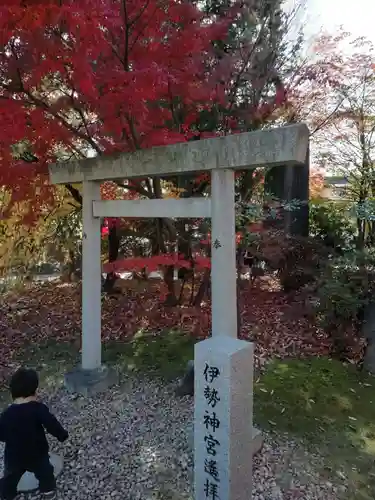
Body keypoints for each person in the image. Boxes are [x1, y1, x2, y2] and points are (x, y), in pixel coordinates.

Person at [0, 368, 68, 500]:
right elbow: (52, 424)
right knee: (46, 473)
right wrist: (62, 435)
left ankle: (7, 494)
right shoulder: (38, 409)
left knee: (10, 477)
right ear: (34, 391)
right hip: (37, 454)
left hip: (14, 456)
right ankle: (48, 492)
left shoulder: (6, 414)